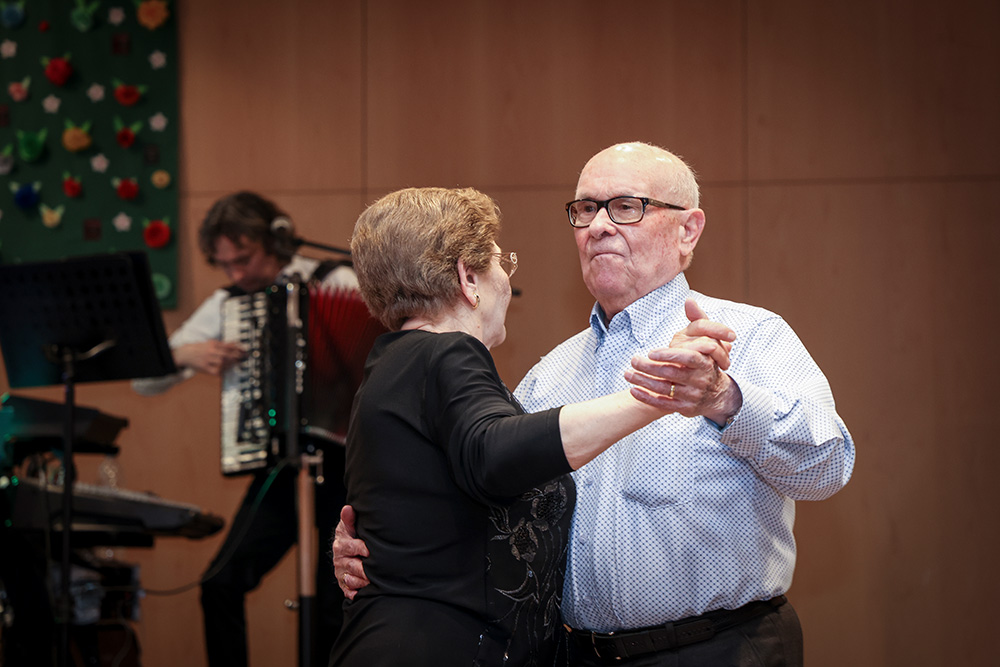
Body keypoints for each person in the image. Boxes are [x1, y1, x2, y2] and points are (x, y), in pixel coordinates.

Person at [335, 143, 856, 666]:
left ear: (688, 230)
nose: (598, 226)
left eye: (627, 207)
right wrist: (379, 550)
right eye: (585, 209)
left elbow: (827, 468)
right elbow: (483, 490)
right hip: (576, 655)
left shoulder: (750, 336)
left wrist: (724, 399)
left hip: (717, 648)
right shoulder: (547, 377)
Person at [327, 187, 709, 667]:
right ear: (468, 278)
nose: (506, 279)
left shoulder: (393, 366)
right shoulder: (447, 352)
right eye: (499, 262)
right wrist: (659, 394)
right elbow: (497, 455)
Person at [132, 191, 358, 667]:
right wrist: (184, 354)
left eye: (244, 259)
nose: (236, 275)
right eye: (224, 265)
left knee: (334, 602)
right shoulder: (228, 304)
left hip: (345, 469)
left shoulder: (333, 279)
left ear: (276, 239)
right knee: (220, 584)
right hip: (279, 467)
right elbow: (144, 379)